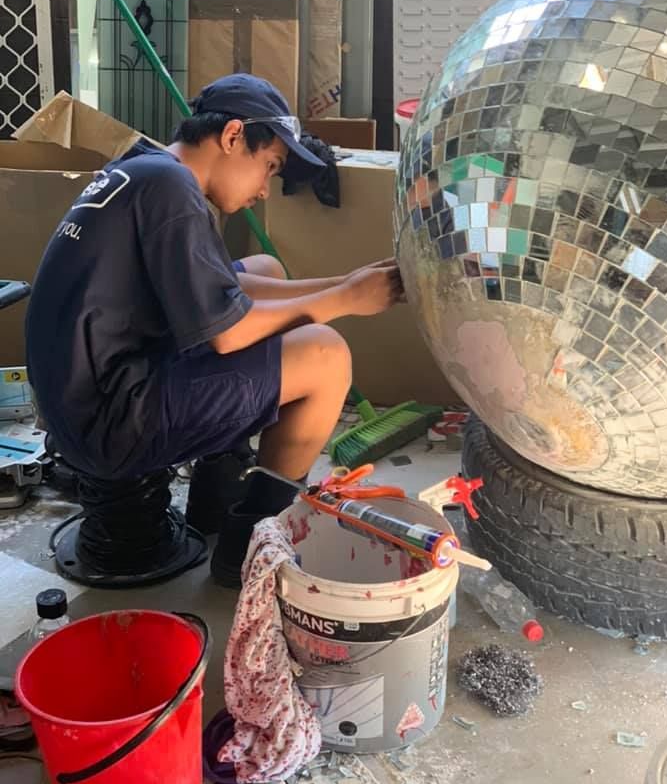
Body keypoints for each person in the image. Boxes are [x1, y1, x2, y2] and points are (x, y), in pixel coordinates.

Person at [25, 74, 404, 491]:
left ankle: (218, 492)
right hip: (111, 422)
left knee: (265, 268)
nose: (265, 190)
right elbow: (228, 333)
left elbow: (224, 291)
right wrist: (346, 299)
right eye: (270, 166)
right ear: (232, 136)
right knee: (324, 354)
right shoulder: (172, 188)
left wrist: (346, 281)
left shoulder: (147, 170)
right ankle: (261, 521)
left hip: (83, 403)